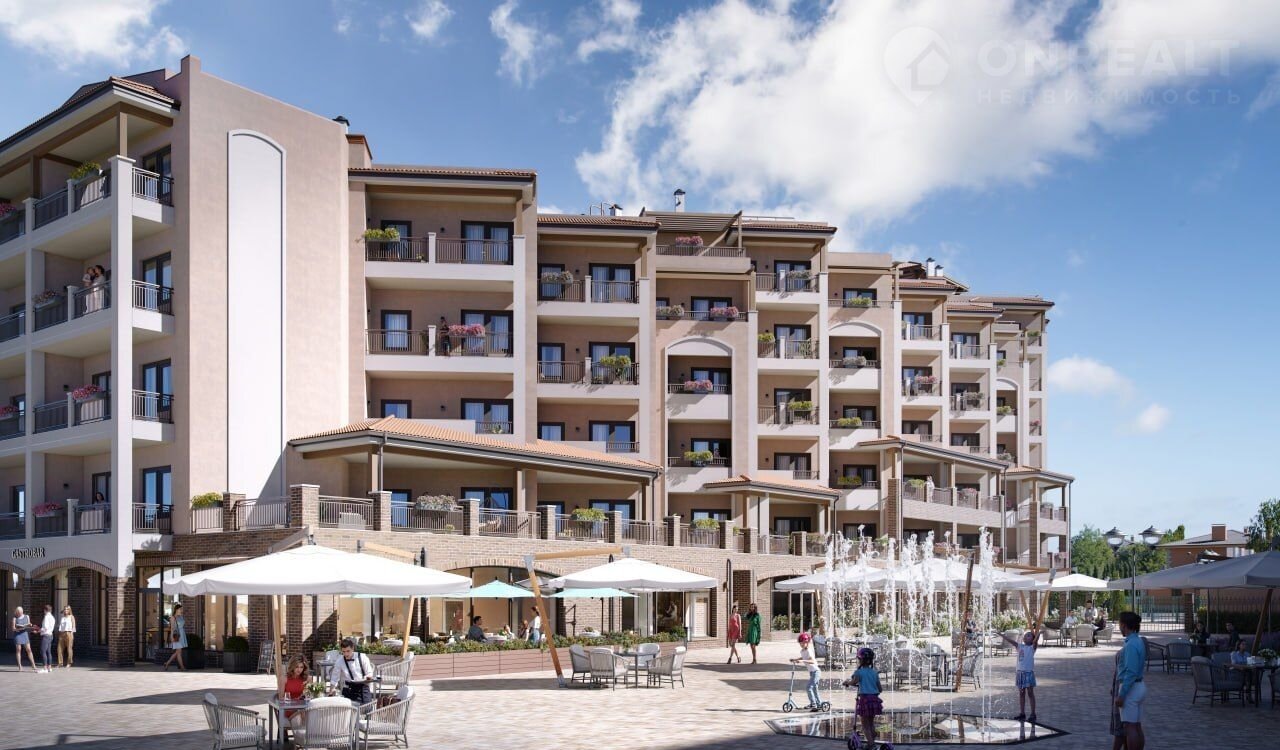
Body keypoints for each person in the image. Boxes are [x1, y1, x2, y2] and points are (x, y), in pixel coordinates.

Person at [1114, 612, 1146, 750]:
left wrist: (1122, 694)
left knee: (1130, 727)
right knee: (1137, 726)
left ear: (1124, 625)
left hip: (1131, 689)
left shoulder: (1131, 645)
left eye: (1120, 624)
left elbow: (1131, 672)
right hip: (1139, 686)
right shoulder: (1138, 641)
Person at [842, 647, 883, 747]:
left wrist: (847, 682)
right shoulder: (874, 672)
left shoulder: (859, 672)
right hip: (874, 700)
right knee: (871, 723)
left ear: (860, 660)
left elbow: (854, 682)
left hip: (865, 700)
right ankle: (872, 737)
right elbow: (880, 689)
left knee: (865, 725)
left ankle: (871, 745)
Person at [1001, 627, 1040, 721]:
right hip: (1020, 673)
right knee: (1021, 694)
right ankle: (1022, 713)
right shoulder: (1020, 646)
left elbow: (1036, 641)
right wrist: (1001, 635)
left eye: (1029, 635)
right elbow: (1011, 641)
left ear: (1032, 639)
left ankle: (1033, 714)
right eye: (1026, 635)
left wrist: (1039, 634)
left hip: (1028, 673)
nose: (1026, 636)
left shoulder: (1032, 648)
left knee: (1030, 693)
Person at [337, 638, 375, 705]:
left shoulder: (362, 657)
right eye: (343, 652)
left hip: (363, 688)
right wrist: (331, 690)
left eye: (348, 651)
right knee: (347, 709)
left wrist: (367, 677)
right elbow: (334, 678)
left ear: (353, 649)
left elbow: (369, 673)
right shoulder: (339, 661)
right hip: (349, 689)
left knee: (367, 708)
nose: (346, 654)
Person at [791, 632, 823, 712]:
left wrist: (802, 661)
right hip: (812, 672)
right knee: (814, 689)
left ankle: (814, 704)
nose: (801, 644)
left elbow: (812, 661)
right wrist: (796, 659)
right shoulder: (802, 651)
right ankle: (819, 703)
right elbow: (804, 657)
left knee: (809, 687)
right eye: (800, 643)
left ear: (807, 642)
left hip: (816, 672)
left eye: (803, 643)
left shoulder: (809, 650)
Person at [280, 656, 310, 724]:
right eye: (296, 667)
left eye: (301, 667)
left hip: (303, 708)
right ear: (292, 666)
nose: (299, 670)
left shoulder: (307, 679)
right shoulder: (284, 678)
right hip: (290, 709)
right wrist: (295, 701)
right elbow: (281, 698)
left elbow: (309, 696)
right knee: (303, 714)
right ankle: (306, 730)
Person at [163, 603, 187, 671]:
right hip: (177, 636)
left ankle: (167, 663)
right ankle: (182, 667)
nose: (181, 610)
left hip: (182, 635)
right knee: (178, 652)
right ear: (176, 609)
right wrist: (171, 637)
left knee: (178, 652)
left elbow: (182, 625)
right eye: (180, 609)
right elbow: (172, 628)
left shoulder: (181, 616)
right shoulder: (173, 617)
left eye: (181, 609)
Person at [12, 607, 35, 672]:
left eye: (21, 612)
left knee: (29, 650)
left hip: (24, 634)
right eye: (18, 613)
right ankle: (20, 666)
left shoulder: (27, 616)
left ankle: (33, 665)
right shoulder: (15, 618)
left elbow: (29, 625)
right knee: (18, 650)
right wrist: (19, 629)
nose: (20, 614)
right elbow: (13, 628)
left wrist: (30, 625)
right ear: (17, 612)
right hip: (18, 635)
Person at [39, 605, 55, 673]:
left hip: (46, 636)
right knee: (48, 652)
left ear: (45, 610)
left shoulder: (46, 617)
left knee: (43, 651)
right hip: (50, 635)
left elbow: (45, 627)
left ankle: (45, 668)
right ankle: (49, 667)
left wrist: (38, 630)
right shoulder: (52, 617)